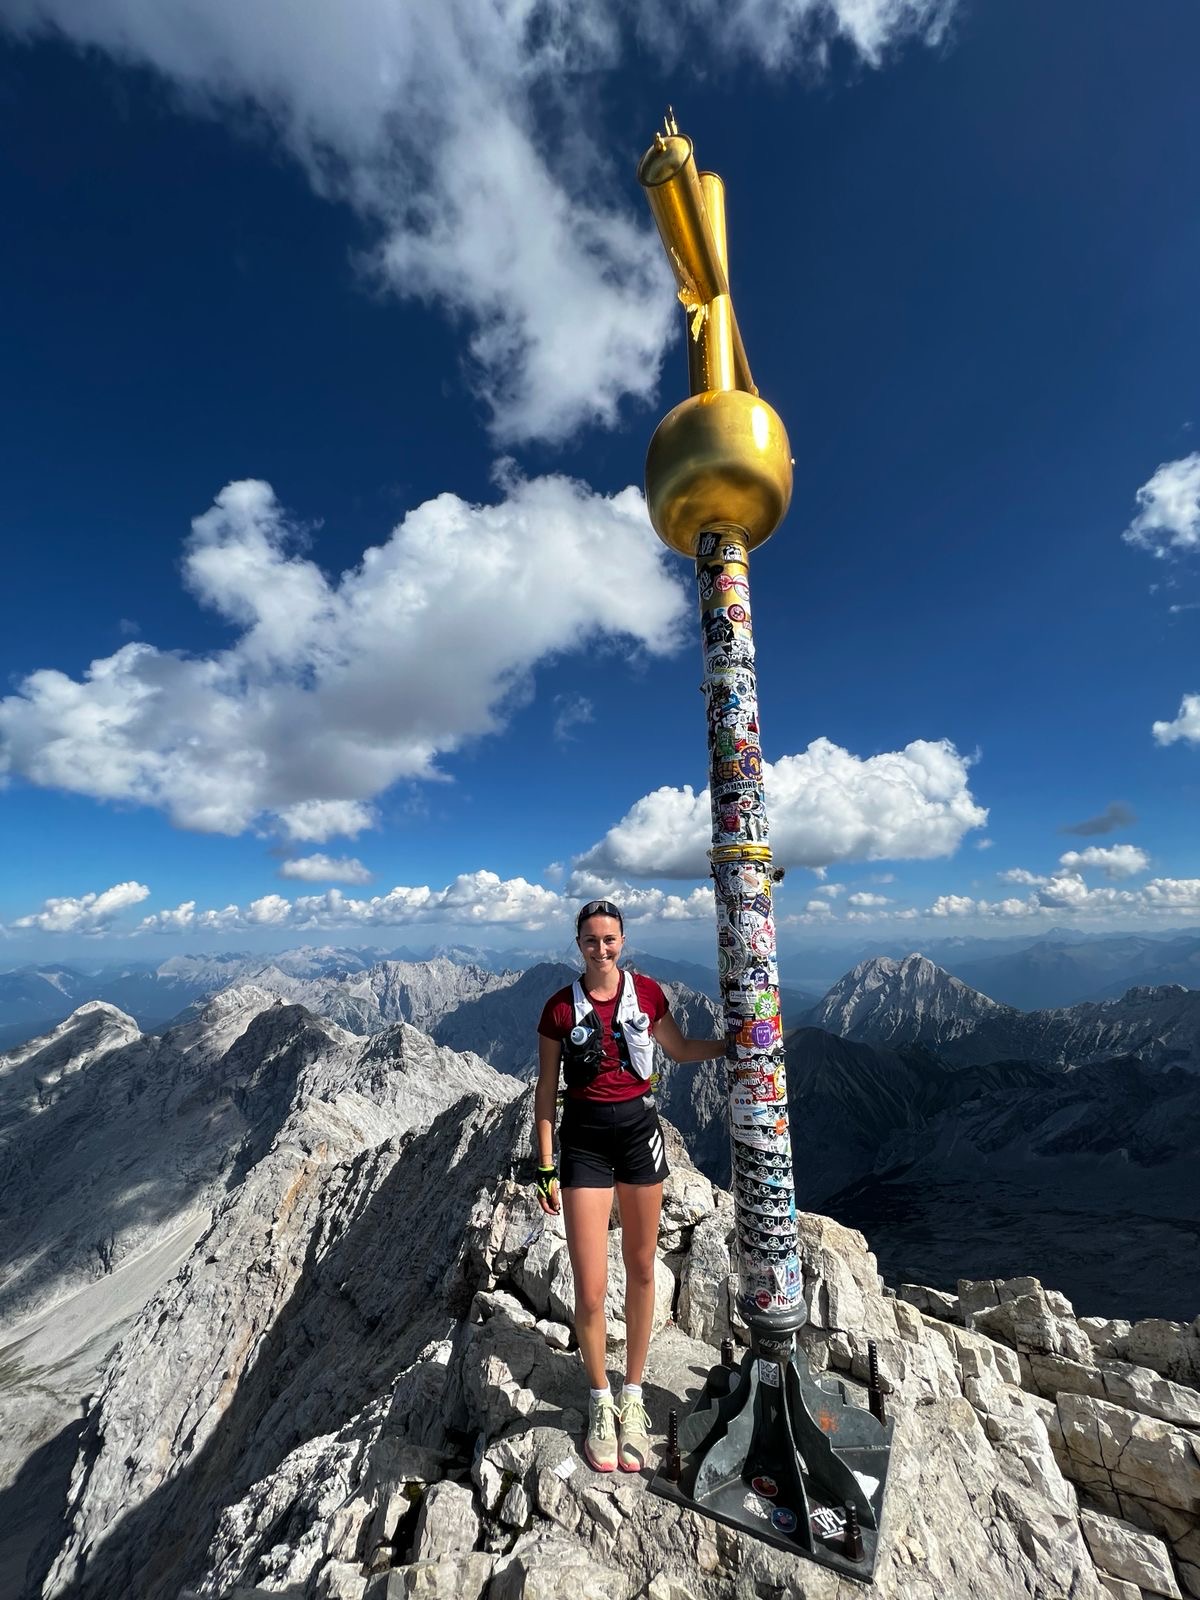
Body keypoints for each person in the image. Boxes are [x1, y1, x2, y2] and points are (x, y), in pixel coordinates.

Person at [534, 898, 728, 1473]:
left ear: (623, 941)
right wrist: (545, 1162)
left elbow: (681, 1049)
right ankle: (600, 1400)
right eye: (591, 940)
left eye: (609, 939)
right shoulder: (558, 1011)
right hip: (585, 1146)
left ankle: (634, 1395)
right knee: (591, 1289)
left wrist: (733, 1043)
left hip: (641, 1133)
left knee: (643, 1268)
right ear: (578, 944)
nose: (601, 948)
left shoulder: (648, 995)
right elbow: (547, 1090)